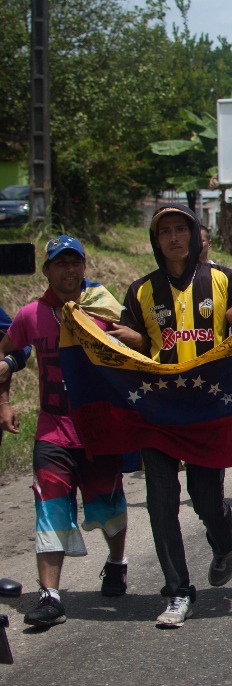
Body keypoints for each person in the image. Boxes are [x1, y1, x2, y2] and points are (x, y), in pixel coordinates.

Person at [108, 205, 232, 627]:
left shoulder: (224, 279)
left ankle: (224, 535)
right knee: (161, 502)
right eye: (165, 231)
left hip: (208, 408)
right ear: (156, 241)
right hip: (158, 411)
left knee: (206, 498)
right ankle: (177, 591)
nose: (174, 238)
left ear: (194, 235)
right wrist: (133, 338)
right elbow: (129, 344)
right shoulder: (140, 291)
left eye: (180, 229)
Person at [0, 236, 129, 628]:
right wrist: (4, 400)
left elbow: (138, 352)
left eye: (75, 263)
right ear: (47, 271)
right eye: (61, 264)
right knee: (49, 506)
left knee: (108, 508)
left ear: (85, 267)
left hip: (99, 430)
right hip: (52, 431)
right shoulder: (30, 315)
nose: (69, 271)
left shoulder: (105, 309)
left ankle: (117, 562)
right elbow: (7, 354)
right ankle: (50, 596)